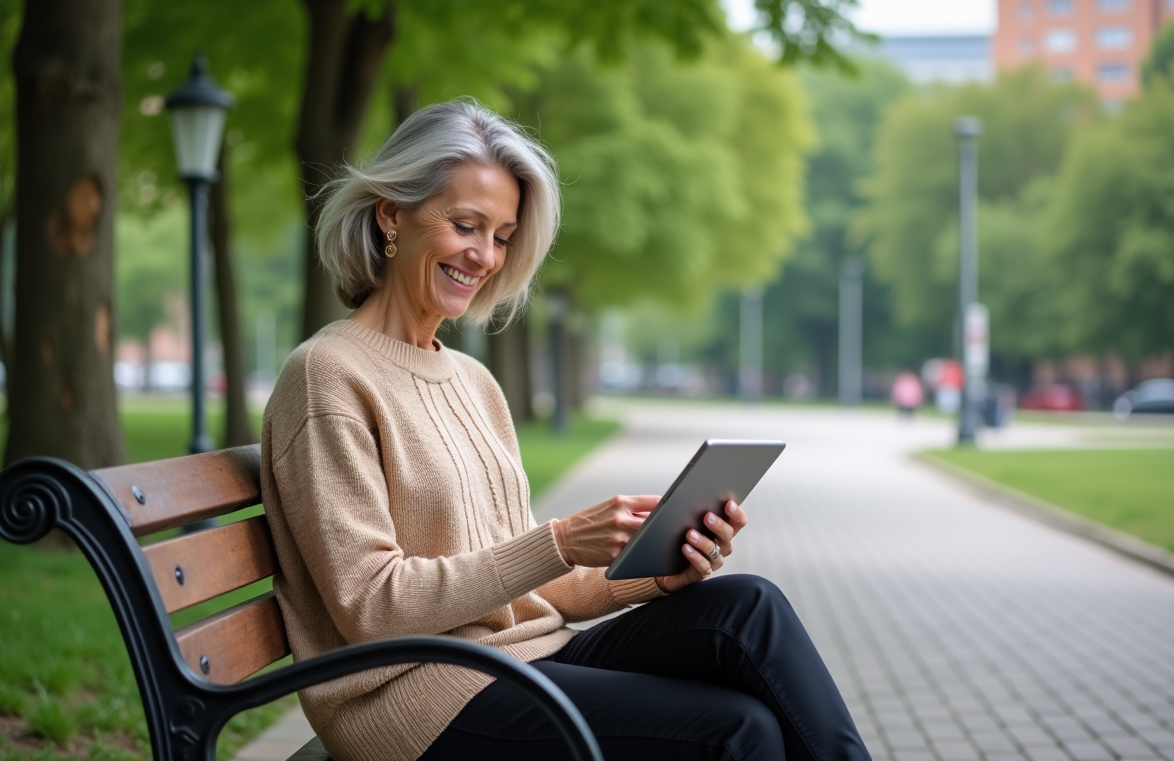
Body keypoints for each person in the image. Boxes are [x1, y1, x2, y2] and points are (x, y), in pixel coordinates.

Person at [260, 100, 871, 761]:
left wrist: (657, 573)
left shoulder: (472, 381)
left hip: (521, 659)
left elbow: (524, 591)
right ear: (390, 215)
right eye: (465, 225)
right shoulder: (328, 375)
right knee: (739, 730)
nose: (485, 256)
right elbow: (371, 606)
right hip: (414, 700)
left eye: (502, 236)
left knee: (750, 608)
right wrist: (558, 542)